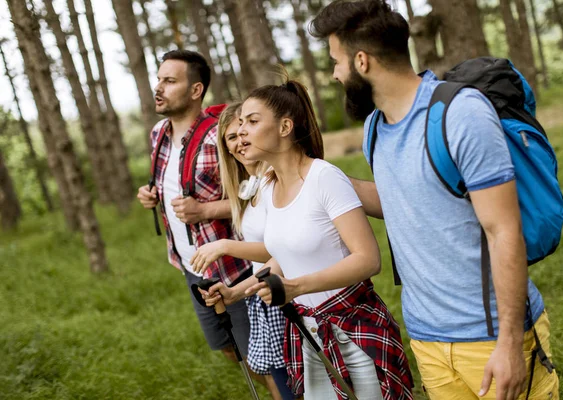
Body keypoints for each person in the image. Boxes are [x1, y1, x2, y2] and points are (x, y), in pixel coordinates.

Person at [309, 1, 560, 400]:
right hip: (427, 338)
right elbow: (405, 201)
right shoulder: (376, 127)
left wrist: (510, 342)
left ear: (361, 61)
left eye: (335, 61)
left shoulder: (459, 114)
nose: (335, 74)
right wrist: (317, 176)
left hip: (490, 335)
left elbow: (503, 230)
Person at [205, 75, 413, 400]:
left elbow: (368, 259)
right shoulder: (271, 185)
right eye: (240, 122)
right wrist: (235, 293)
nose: (241, 130)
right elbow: (281, 258)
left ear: (285, 127)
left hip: (352, 326)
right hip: (308, 330)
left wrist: (298, 287)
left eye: (252, 121)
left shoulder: (324, 177)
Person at [136, 50, 254, 369]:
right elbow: (171, 185)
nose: (158, 87)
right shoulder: (158, 134)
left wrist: (203, 211)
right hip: (192, 267)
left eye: (170, 81)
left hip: (234, 268)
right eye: (159, 79)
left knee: (262, 362)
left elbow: (256, 200)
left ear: (196, 90)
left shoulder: (221, 137)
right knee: (228, 349)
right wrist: (152, 194)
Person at [189, 102, 295, 400]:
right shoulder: (247, 187)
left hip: (288, 293)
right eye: (231, 137)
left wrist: (224, 246)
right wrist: (236, 292)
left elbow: (283, 250)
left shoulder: (276, 180)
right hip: (262, 296)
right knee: (283, 387)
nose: (239, 142)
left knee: (302, 387)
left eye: (243, 132)